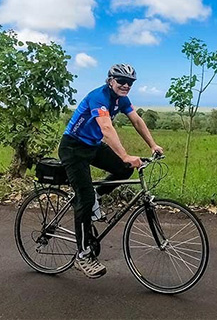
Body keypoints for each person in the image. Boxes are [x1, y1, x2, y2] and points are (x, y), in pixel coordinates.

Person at [58, 63, 163, 279]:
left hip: (93, 146)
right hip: (73, 148)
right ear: (110, 80)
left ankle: (97, 194)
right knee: (84, 199)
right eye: (121, 81)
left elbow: (137, 120)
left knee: (124, 170)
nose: (125, 85)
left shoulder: (121, 99)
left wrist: (153, 145)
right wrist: (125, 155)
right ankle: (83, 255)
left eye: (130, 82)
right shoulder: (99, 96)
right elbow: (106, 128)